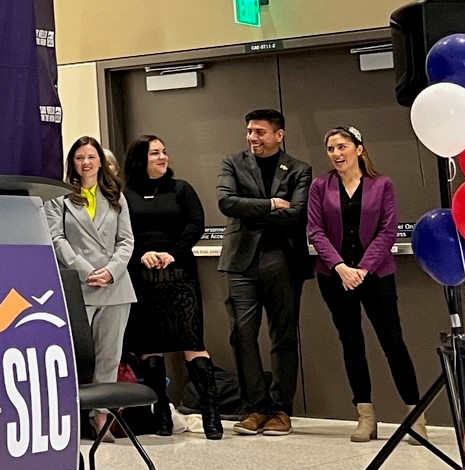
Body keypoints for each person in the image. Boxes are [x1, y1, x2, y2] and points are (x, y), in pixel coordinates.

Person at [306, 126, 420, 441]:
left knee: (393, 342)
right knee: (351, 343)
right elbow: (315, 231)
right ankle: (365, 415)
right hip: (335, 277)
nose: (336, 154)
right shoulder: (320, 186)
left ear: (359, 148)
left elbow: (387, 229)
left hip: (376, 277)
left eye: (342, 147)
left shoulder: (382, 184)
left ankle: (415, 415)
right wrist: (341, 267)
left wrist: (363, 268)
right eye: (331, 149)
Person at [216, 109, 312, 436]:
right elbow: (227, 203)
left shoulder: (299, 169)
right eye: (249, 132)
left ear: (278, 135)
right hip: (241, 260)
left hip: (282, 258)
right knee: (242, 333)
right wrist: (272, 204)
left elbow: (298, 214)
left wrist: (252, 209)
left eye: (259, 132)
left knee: (282, 334)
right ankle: (254, 407)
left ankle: (281, 410)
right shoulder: (232, 163)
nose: (252, 138)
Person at [121, 134, 221, 439]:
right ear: (141, 159)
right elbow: (122, 233)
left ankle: (211, 415)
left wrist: (172, 252)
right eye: (155, 153)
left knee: (192, 342)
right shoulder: (125, 195)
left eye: (164, 152)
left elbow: (195, 224)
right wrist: (142, 254)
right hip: (143, 275)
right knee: (150, 347)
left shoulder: (181, 189)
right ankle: (161, 412)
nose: (163, 157)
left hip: (179, 275)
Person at [45, 139, 138, 419]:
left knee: (110, 355)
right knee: (74, 355)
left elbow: (126, 240)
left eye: (91, 157)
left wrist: (111, 270)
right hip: (79, 286)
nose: (85, 162)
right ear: (72, 163)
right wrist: (86, 271)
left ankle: (101, 416)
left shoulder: (115, 196)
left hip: (115, 286)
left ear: (100, 161)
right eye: (79, 158)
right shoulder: (58, 198)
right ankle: (68, 415)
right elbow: (56, 238)